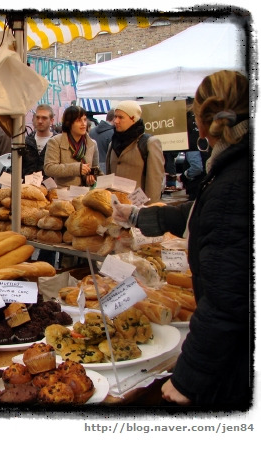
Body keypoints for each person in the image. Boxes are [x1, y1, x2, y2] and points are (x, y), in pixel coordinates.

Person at [113, 70, 251, 409]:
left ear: (204, 120)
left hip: (234, 361)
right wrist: (136, 216)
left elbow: (226, 300)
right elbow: (198, 210)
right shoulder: (235, 166)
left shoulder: (235, 179)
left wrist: (188, 376)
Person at [106, 100, 165, 204]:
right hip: (116, 208)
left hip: (138, 208)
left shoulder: (149, 143)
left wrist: (150, 209)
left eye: (121, 117)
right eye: (115, 116)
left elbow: (154, 182)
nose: (116, 121)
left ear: (133, 118)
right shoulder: (113, 144)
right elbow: (109, 175)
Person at [44, 105, 100, 188]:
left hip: (85, 194)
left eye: (84, 120)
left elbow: (95, 168)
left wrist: (91, 177)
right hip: (63, 194)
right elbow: (49, 168)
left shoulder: (92, 143)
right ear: (69, 123)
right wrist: (76, 168)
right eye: (78, 120)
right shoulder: (55, 141)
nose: (83, 124)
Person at [22, 104, 55, 177]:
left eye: (44, 118)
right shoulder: (25, 141)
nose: (40, 121)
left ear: (51, 121)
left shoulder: (57, 142)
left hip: (50, 187)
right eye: (37, 117)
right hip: (27, 186)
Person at [89, 108, 114, 173]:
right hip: (106, 167)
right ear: (114, 119)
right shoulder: (113, 133)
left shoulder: (91, 131)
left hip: (91, 166)